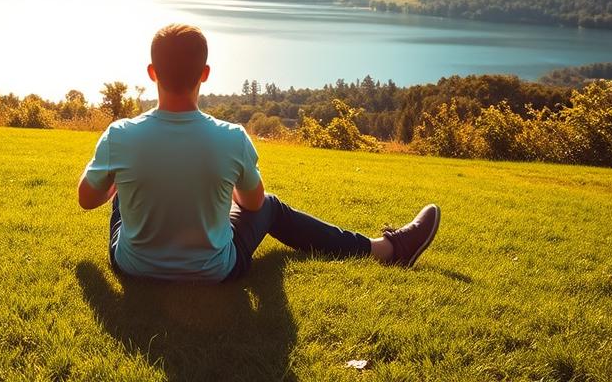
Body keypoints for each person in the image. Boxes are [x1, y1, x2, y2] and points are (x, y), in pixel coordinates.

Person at [76, 23, 440, 282]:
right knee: (272, 205)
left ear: (152, 73)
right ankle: (385, 251)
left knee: (121, 188)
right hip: (215, 271)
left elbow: (87, 199)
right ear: (204, 74)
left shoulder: (120, 135)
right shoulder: (232, 138)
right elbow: (252, 205)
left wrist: (122, 180)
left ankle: (385, 250)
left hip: (134, 267)